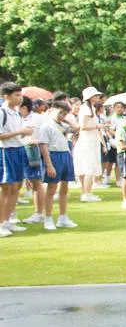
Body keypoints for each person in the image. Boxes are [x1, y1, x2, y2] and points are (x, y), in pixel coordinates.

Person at [34, 101, 78, 229]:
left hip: (65, 154)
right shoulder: (46, 126)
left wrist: (67, 120)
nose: (62, 116)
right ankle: (48, 218)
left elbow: (77, 128)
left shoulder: (62, 125)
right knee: (52, 189)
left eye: (64, 114)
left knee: (64, 188)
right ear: (52, 109)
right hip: (54, 156)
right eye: (60, 113)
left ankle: (63, 217)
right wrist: (49, 165)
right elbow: (43, 145)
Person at [0, 83, 36, 236]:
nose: (19, 98)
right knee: (6, 188)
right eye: (16, 95)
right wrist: (20, 131)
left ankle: (8, 220)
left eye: (20, 95)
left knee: (16, 188)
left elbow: (16, 133)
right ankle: (1, 223)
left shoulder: (16, 113)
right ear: (6, 96)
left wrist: (24, 133)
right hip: (6, 151)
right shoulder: (2, 112)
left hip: (18, 150)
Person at [74, 87, 107, 201]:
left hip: (91, 140)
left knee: (86, 168)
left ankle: (86, 192)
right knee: (88, 168)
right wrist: (98, 126)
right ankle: (86, 193)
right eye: (96, 96)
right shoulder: (86, 109)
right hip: (87, 141)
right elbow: (83, 127)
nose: (98, 98)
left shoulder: (90, 108)